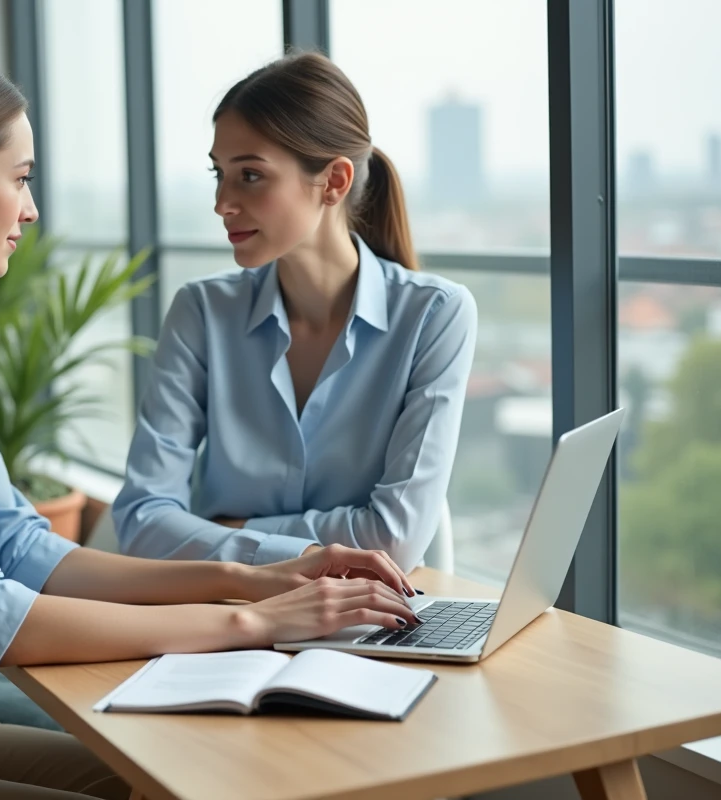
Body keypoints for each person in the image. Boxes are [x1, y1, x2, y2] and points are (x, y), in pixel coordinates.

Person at [0, 51, 419, 800]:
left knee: (190, 783)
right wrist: (252, 624)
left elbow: (20, 548)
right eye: (20, 178)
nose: (30, 210)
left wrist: (252, 580)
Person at [113, 52, 478, 572]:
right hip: (222, 610)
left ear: (334, 182)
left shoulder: (434, 317)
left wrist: (230, 531)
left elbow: (395, 541)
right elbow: (141, 521)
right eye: (219, 173)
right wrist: (306, 547)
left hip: (360, 615)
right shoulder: (202, 312)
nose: (222, 202)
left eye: (250, 175)